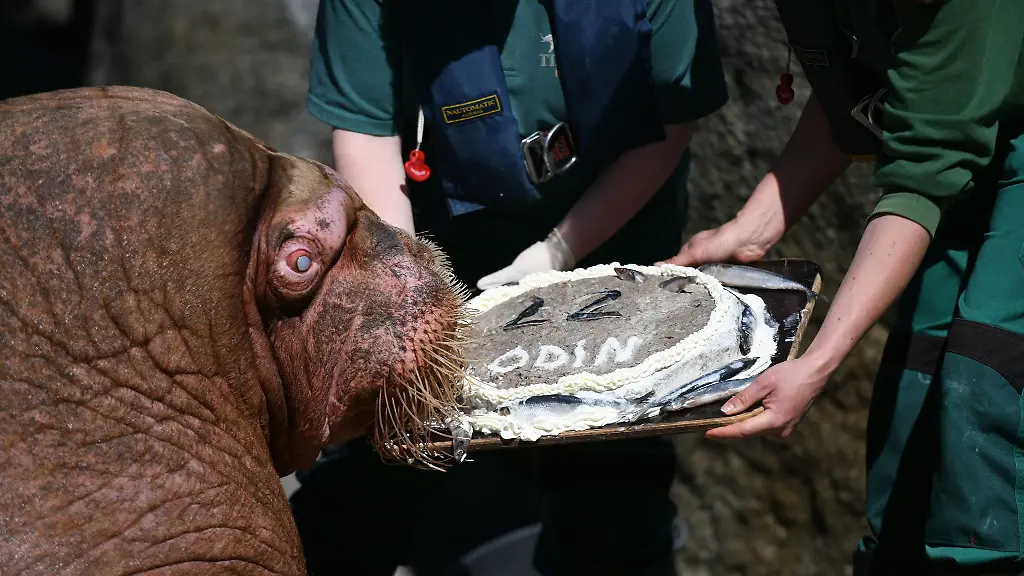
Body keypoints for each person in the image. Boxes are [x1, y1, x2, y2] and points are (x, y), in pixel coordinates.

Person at [288, 1, 729, 575]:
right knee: (387, 451)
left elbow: (669, 118)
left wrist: (561, 249)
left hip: (616, 231)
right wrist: (405, 287)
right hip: (438, 240)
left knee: (612, 471)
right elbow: (366, 130)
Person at [665, 0, 1024, 573]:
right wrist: (752, 230)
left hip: (977, 151)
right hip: (967, 148)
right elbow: (864, 95)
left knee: (985, 388)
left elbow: (925, 170)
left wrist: (818, 360)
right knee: (916, 393)